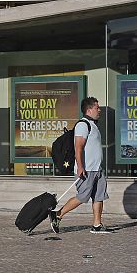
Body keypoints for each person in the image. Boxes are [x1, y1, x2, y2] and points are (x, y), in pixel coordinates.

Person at [49, 97, 110, 234]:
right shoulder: (83, 125)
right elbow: (78, 147)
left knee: (99, 196)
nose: (99, 110)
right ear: (89, 109)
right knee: (82, 196)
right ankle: (58, 214)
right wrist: (81, 167)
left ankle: (97, 225)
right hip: (86, 169)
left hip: (97, 169)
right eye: (97, 108)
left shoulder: (93, 125)